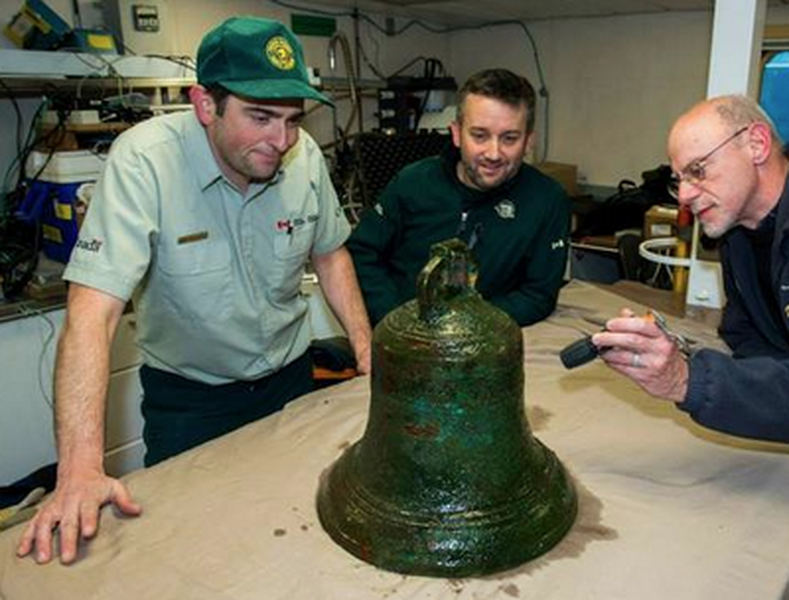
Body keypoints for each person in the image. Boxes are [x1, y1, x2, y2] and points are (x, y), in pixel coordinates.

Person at [17, 16, 371, 564]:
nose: (281, 141)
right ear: (206, 105)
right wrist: (81, 469)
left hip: (292, 386)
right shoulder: (145, 162)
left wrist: (368, 354)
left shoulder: (304, 162)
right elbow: (93, 312)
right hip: (191, 403)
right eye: (260, 117)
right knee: (198, 555)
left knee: (303, 538)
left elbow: (330, 253)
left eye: (293, 120)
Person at [593, 94, 789, 444]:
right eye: (678, 178)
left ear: (757, 144)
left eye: (698, 170)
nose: (683, 195)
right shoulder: (738, 235)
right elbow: (745, 336)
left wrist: (686, 379)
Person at [346, 69, 571, 327]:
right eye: (479, 135)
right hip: (403, 338)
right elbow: (362, 253)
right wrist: (395, 320)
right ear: (456, 133)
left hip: (487, 342)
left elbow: (538, 296)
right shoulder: (413, 183)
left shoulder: (547, 200)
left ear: (529, 140)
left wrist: (463, 323)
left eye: (509, 138)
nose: (494, 153)